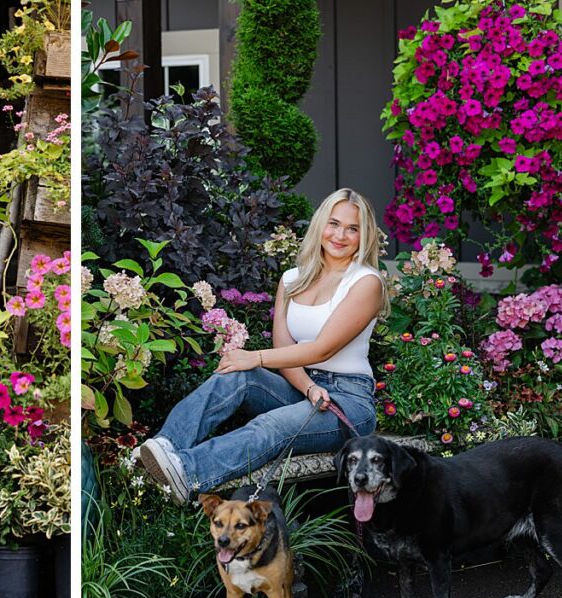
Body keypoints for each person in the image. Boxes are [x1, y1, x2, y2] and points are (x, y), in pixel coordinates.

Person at [140, 188, 390, 504]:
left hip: (347, 402)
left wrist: (255, 357)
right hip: (302, 386)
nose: (340, 235)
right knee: (235, 377)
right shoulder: (292, 279)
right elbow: (285, 352)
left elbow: (323, 349)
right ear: (320, 226)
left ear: (363, 235)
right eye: (334, 223)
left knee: (271, 425)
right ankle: (161, 450)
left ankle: (185, 473)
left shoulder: (366, 282)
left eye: (352, 229)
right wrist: (310, 387)